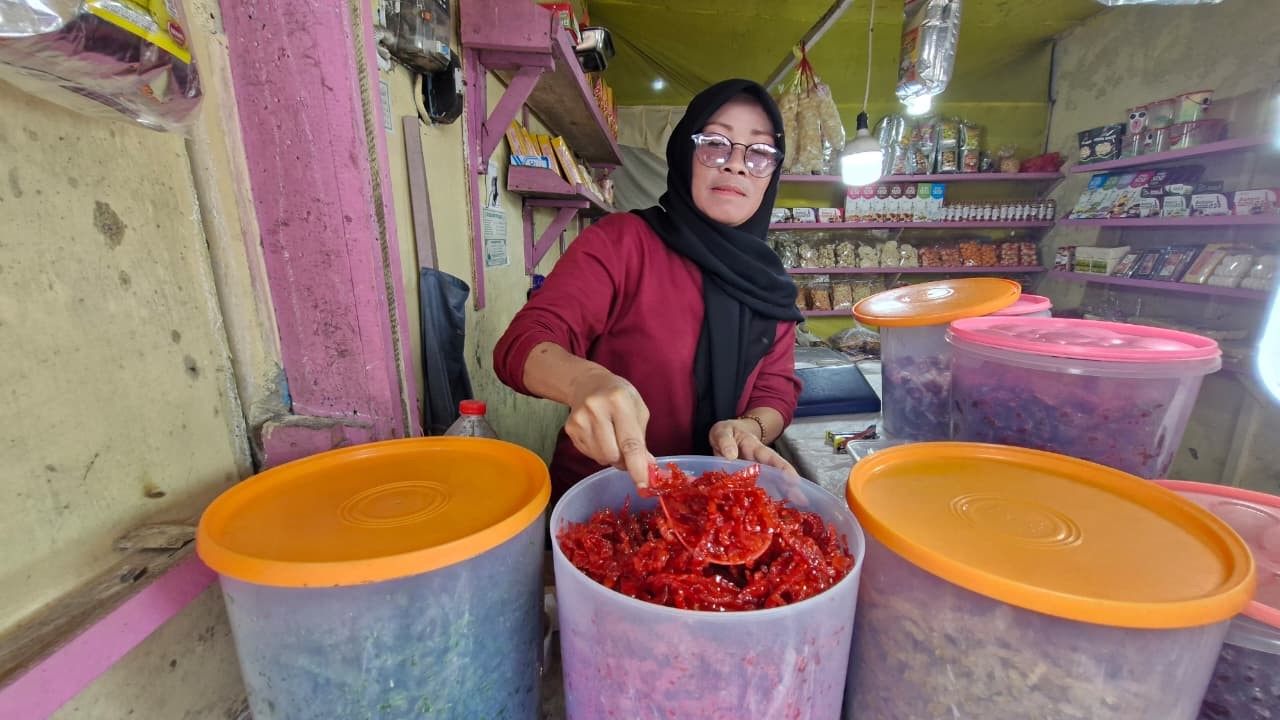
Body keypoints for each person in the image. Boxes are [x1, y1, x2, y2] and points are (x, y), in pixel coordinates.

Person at [493, 78, 803, 503]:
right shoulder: (624, 242)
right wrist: (585, 381)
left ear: (772, 174)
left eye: (760, 152)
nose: (736, 165)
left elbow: (776, 392)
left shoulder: (769, 285)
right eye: (715, 143)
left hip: (716, 510)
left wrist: (748, 426)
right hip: (605, 511)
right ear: (684, 153)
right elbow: (523, 342)